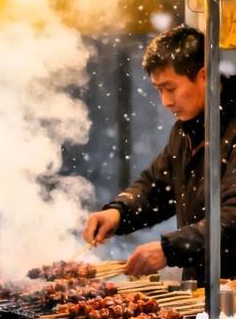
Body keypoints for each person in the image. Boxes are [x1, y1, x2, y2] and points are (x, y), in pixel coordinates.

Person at [83, 25, 236, 279]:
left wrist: (170, 249)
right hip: (203, 296)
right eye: (158, 90)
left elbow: (232, 220)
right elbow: (156, 187)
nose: (165, 101)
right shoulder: (185, 132)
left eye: (170, 88)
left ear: (204, 76)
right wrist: (118, 213)